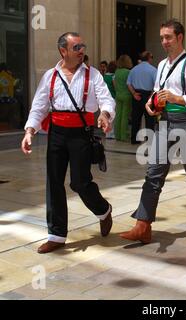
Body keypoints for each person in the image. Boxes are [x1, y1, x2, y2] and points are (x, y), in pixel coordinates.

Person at [119, 19, 186, 244]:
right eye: (162, 37)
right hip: (165, 122)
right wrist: (151, 104)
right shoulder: (161, 65)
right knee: (154, 171)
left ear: (180, 37)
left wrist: (176, 98)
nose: (164, 42)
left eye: (168, 37)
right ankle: (142, 225)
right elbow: (157, 91)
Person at [21, 32, 115, 254]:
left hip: (81, 133)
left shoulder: (92, 75)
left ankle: (103, 210)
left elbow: (106, 99)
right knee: (54, 182)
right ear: (63, 51)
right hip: (57, 133)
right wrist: (29, 131)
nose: (82, 50)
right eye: (76, 47)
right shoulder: (50, 76)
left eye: (82, 46)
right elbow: (39, 106)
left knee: (80, 182)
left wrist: (104, 114)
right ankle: (56, 235)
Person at [127, 51, 157, 144]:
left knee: (136, 118)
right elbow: (156, 85)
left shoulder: (134, 69)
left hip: (136, 95)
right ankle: (150, 140)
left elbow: (128, 83)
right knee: (150, 119)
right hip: (148, 95)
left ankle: (134, 139)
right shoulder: (153, 70)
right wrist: (151, 96)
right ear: (149, 58)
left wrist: (134, 93)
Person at [114, 54, 133, 142]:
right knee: (125, 116)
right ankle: (123, 135)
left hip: (118, 95)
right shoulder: (128, 72)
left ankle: (117, 134)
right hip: (127, 95)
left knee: (118, 115)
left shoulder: (117, 71)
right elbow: (130, 84)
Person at [104, 61, 117, 139]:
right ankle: (111, 134)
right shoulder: (113, 76)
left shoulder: (105, 76)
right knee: (112, 116)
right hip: (112, 97)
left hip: (106, 97)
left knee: (106, 116)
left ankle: (107, 133)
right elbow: (115, 87)